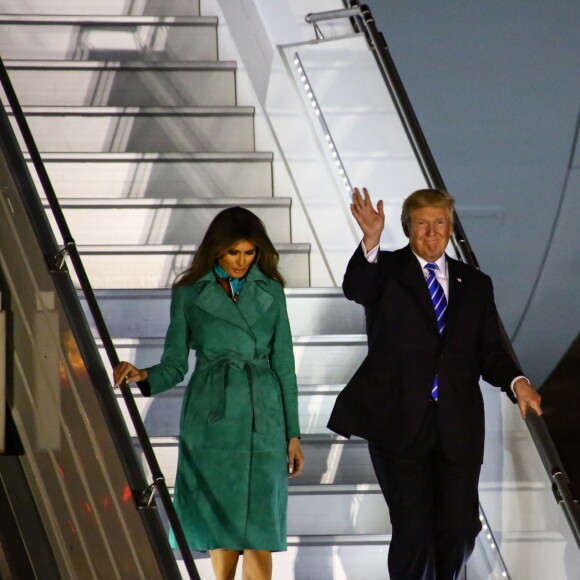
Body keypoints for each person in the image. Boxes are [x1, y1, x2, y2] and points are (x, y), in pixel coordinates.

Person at [327, 187, 542, 579]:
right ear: (408, 228)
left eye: (439, 223)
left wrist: (517, 382)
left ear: (450, 226)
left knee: (459, 529)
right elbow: (356, 289)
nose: (431, 232)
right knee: (411, 534)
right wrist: (371, 239)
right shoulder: (386, 270)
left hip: (457, 428)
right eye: (422, 224)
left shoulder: (475, 284)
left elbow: (490, 350)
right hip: (400, 425)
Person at [114, 206, 304, 580]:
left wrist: (293, 435)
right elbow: (175, 364)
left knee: (260, 526)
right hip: (212, 414)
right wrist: (142, 374)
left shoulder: (271, 292)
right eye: (234, 252)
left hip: (262, 413)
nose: (241, 261)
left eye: (249, 253)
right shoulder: (188, 293)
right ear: (217, 249)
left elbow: (284, 366)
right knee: (221, 522)